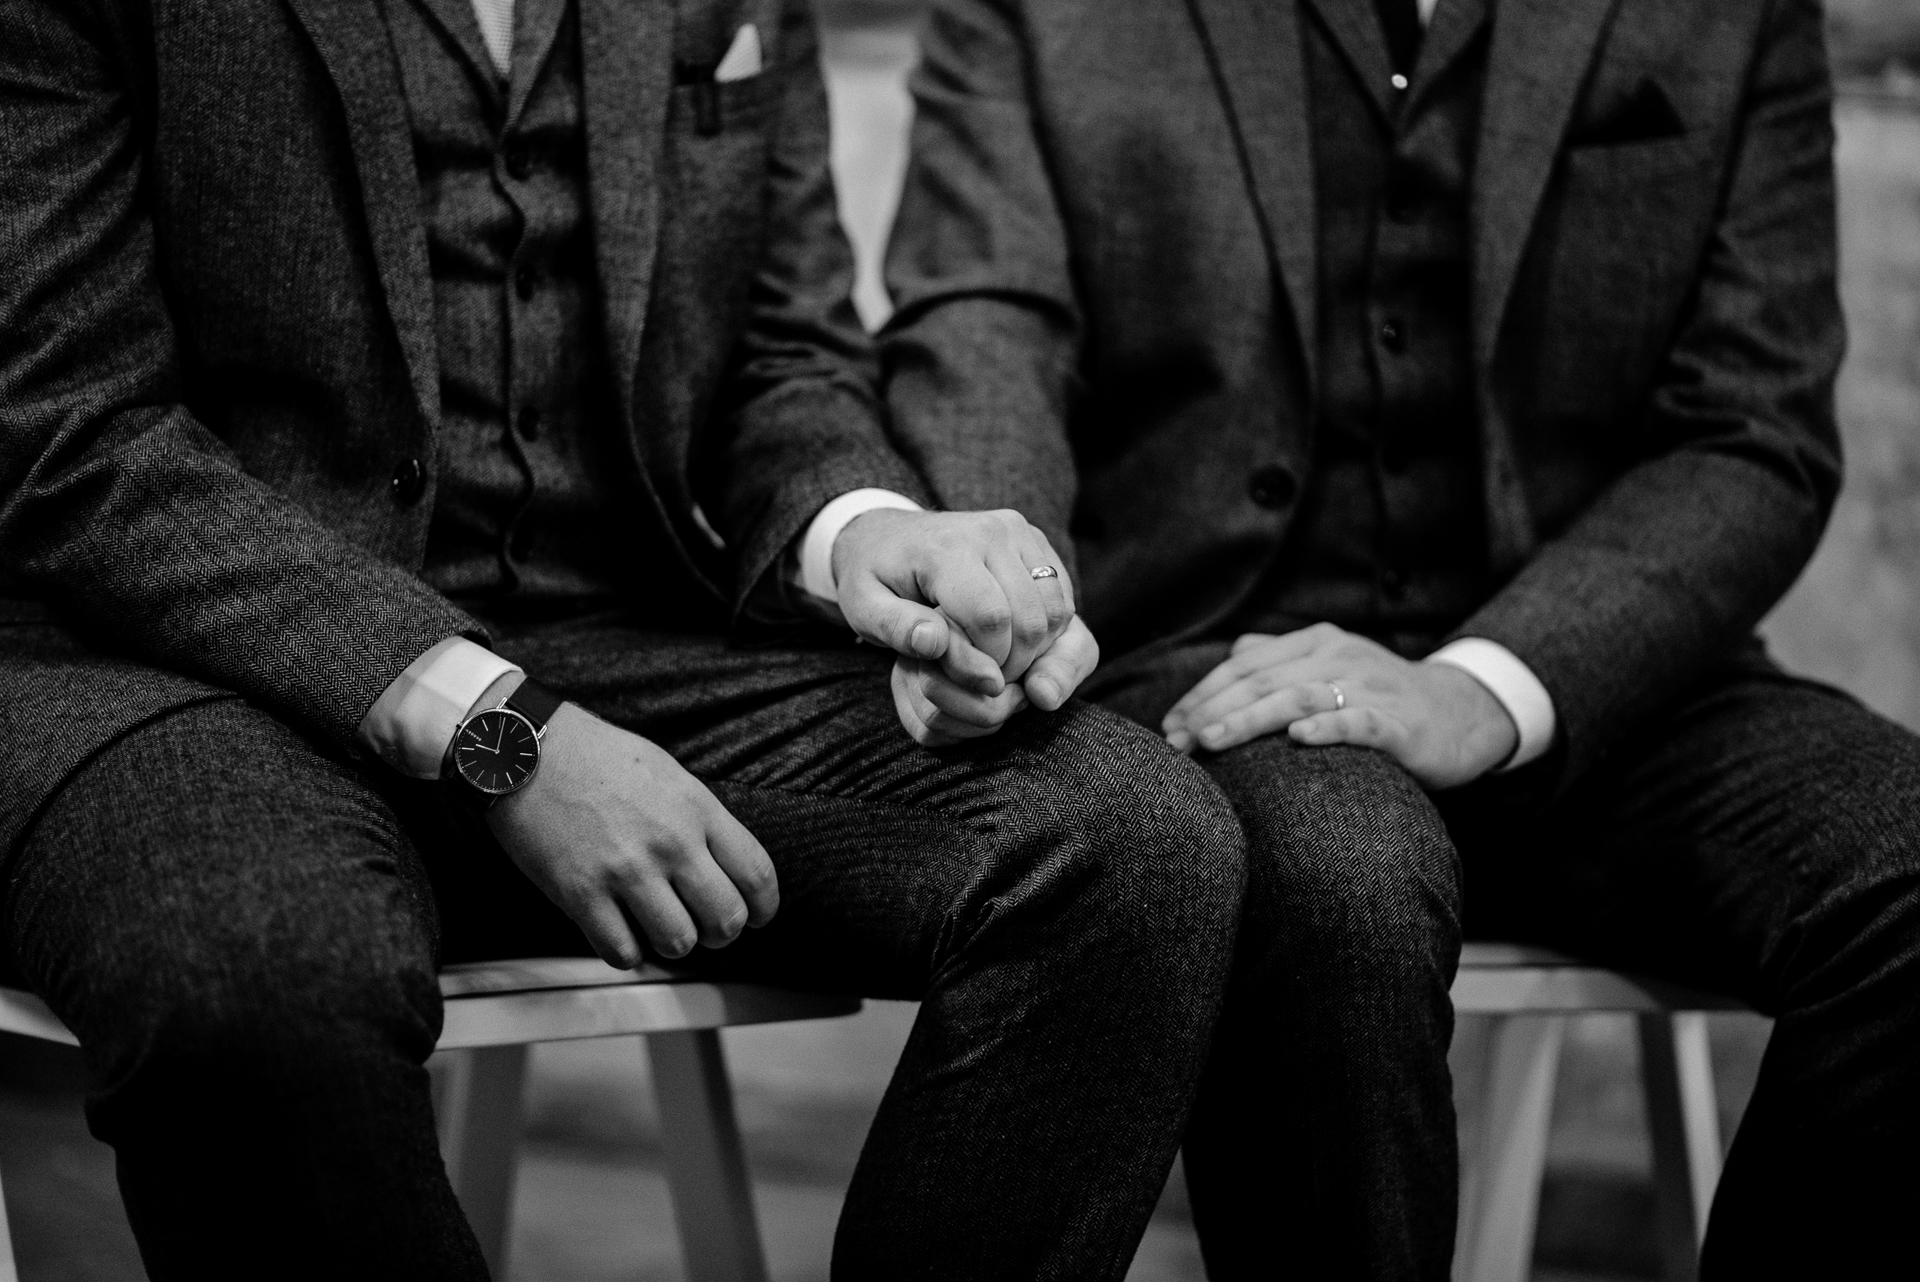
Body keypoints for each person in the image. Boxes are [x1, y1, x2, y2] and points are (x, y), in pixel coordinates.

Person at [0, 0, 1249, 1276]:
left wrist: (861, 533)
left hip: (623, 639)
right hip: (180, 663)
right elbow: (66, 431)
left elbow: (780, 354)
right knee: (257, 977)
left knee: (1135, 845)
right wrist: (509, 733)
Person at [878, 0, 1920, 1275]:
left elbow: (1754, 433)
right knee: (1341, 879)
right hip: (1220, 659)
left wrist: (1481, 688)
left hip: (1601, 675)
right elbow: (986, 322)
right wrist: (1009, 586)